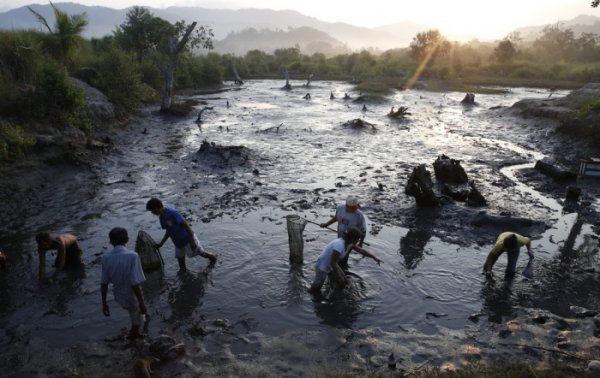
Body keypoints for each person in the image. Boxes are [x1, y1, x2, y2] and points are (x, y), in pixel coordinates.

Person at [101, 227, 147, 340]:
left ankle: (136, 331)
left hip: (119, 296)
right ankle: (131, 339)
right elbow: (135, 283)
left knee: (135, 314)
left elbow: (104, 283)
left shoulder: (106, 258)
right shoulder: (133, 256)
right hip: (132, 296)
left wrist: (104, 303)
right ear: (127, 239)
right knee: (137, 321)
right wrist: (142, 302)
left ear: (111, 241)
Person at [146, 198, 217, 271]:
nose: (152, 213)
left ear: (156, 208)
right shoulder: (161, 217)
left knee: (201, 253)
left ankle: (213, 258)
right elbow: (169, 231)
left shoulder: (172, 213)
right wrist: (161, 243)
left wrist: (192, 241)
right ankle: (184, 275)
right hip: (178, 243)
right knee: (181, 263)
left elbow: (187, 226)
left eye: (152, 211)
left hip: (187, 239)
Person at [308, 227, 381, 295]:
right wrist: (339, 276)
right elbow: (332, 263)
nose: (358, 241)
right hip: (322, 266)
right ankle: (308, 295)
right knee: (316, 288)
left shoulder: (350, 244)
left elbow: (362, 251)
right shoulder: (339, 245)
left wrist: (374, 257)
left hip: (332, 264)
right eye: (357, 239)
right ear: (352, 239)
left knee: (344, 280)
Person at [320, 195, 367, 267]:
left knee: (345, 256)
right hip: (340, 237)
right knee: (338, 252)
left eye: (356, 207)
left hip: (351, 239)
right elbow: (336, 218)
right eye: (354, 208)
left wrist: (360, 243)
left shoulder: (359, 215)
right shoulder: (340, 208)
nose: (356, 209)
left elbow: (363, 231)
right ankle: (337, 267)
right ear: (347, 206)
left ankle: (341, 267)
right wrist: (326, 224)